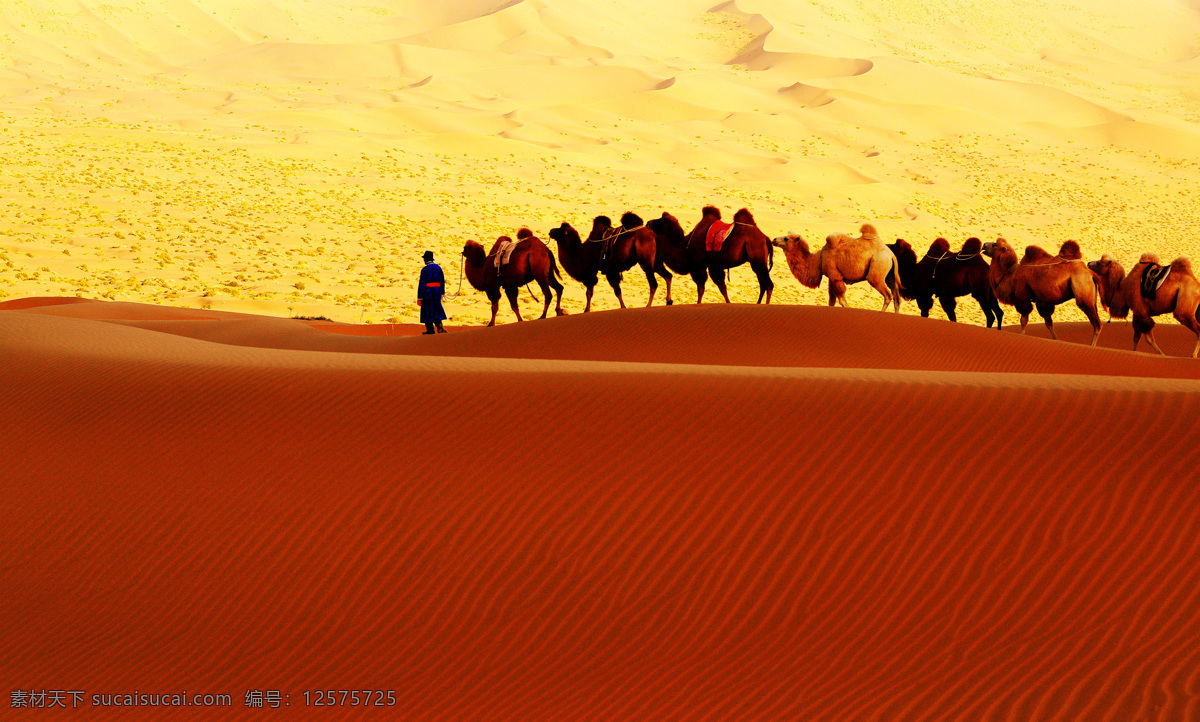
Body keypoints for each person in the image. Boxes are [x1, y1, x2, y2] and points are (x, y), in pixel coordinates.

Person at [417, 250, 447, 334]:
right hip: (437, 291)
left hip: (428, 291)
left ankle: (430, 329)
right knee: (436, 308)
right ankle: (439, 325)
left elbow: (422, 283)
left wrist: (420, 297)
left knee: (427, 309)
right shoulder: (438, 268)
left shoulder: (425, 269)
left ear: (426, 259)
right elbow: (442, 281)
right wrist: (442, 292)